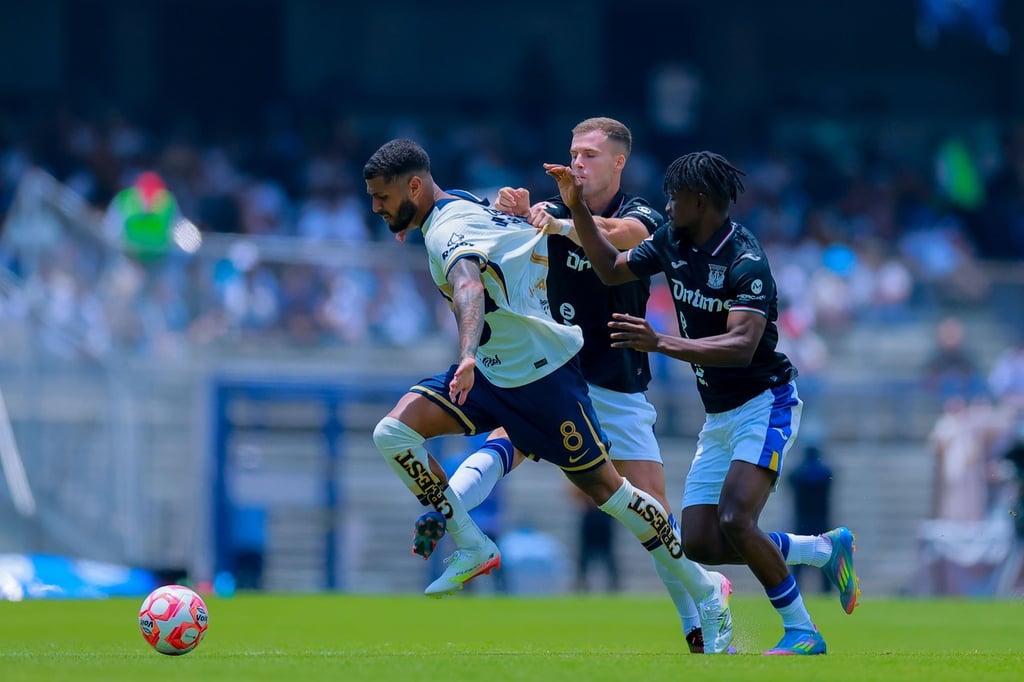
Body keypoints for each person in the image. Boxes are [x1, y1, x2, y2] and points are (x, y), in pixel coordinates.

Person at [362, 139, 733, 653]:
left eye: (382, 198)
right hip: (497, 373)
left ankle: (706, 588)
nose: (376, 208)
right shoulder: (465, 206)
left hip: (553, 379)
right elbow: (485, 229)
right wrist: (510, 213)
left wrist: (465, 353)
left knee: (614, 495)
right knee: (394, 432)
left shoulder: (453, 230)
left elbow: (469, 286)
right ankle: (470, 542)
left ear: (414, 187)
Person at [546, 151, 861, 655]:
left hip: (765, 401)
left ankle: (803, 631)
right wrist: (577, 208)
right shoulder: (671, 241)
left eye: (674, 198)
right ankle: (821, 549)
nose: (667, 207)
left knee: (736, 519)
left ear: (700, 201)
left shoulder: (745, 261)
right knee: (697, 541)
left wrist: (661, 342)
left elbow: (741, 346)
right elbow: (610, 269)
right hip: (719, 414)